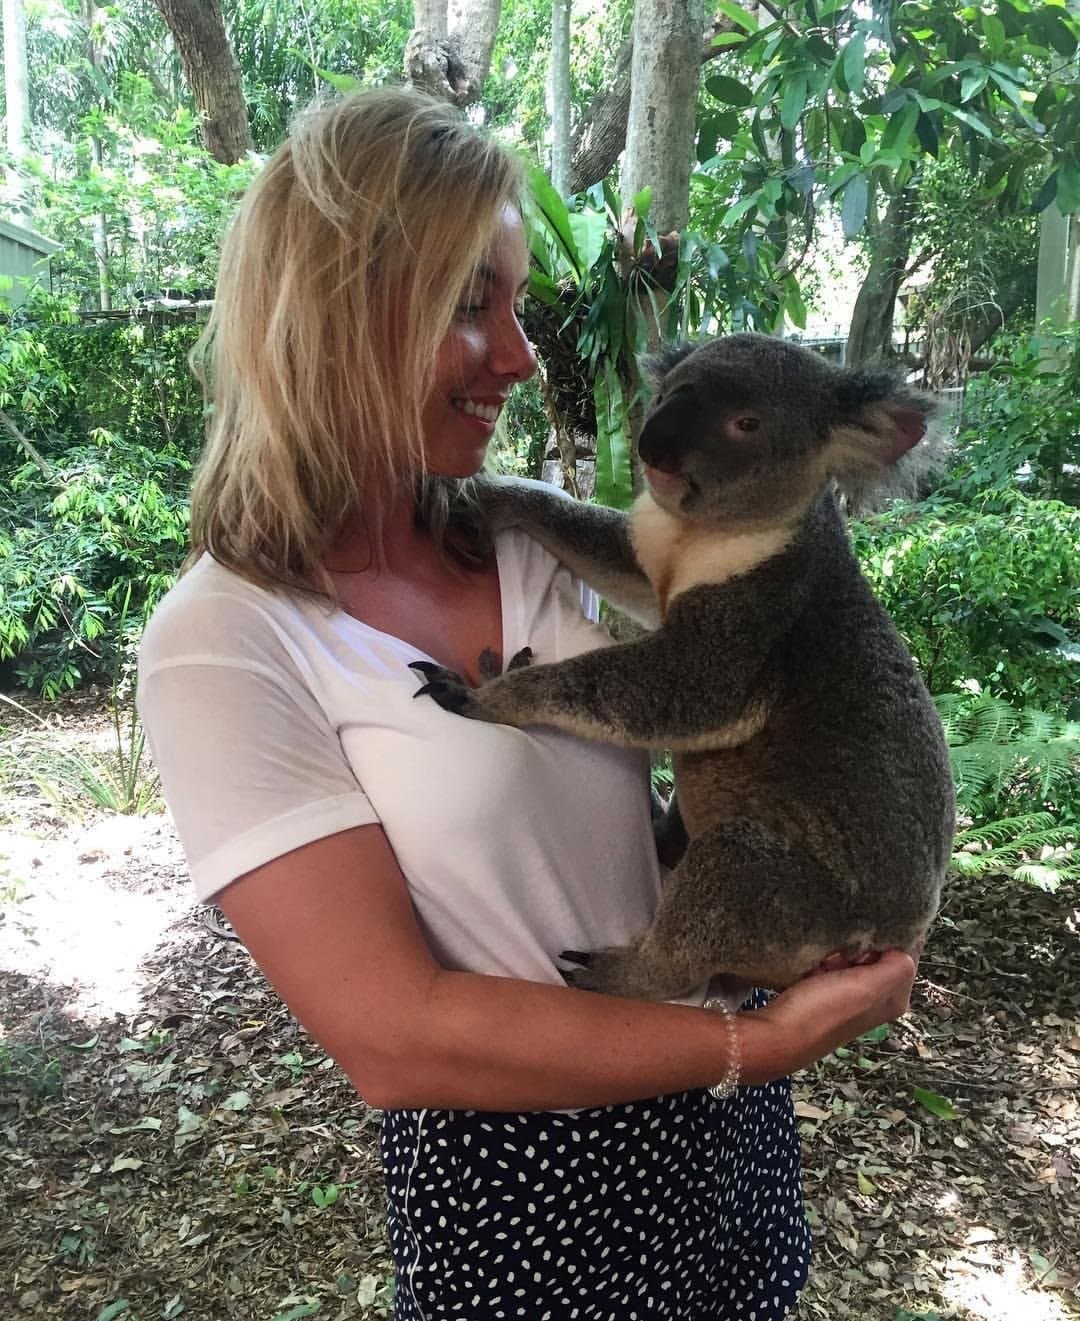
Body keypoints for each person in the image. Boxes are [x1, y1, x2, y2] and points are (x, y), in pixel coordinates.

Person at [137, 86, 917, 1321]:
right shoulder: (224, 645)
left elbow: (760, 676)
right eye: (468, 305)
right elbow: (395, 1035)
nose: (518, 354)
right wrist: (755, 1045)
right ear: (328, 316)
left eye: (512, 303)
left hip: (724, 1122)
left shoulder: (519, 538)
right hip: (526, 1170)